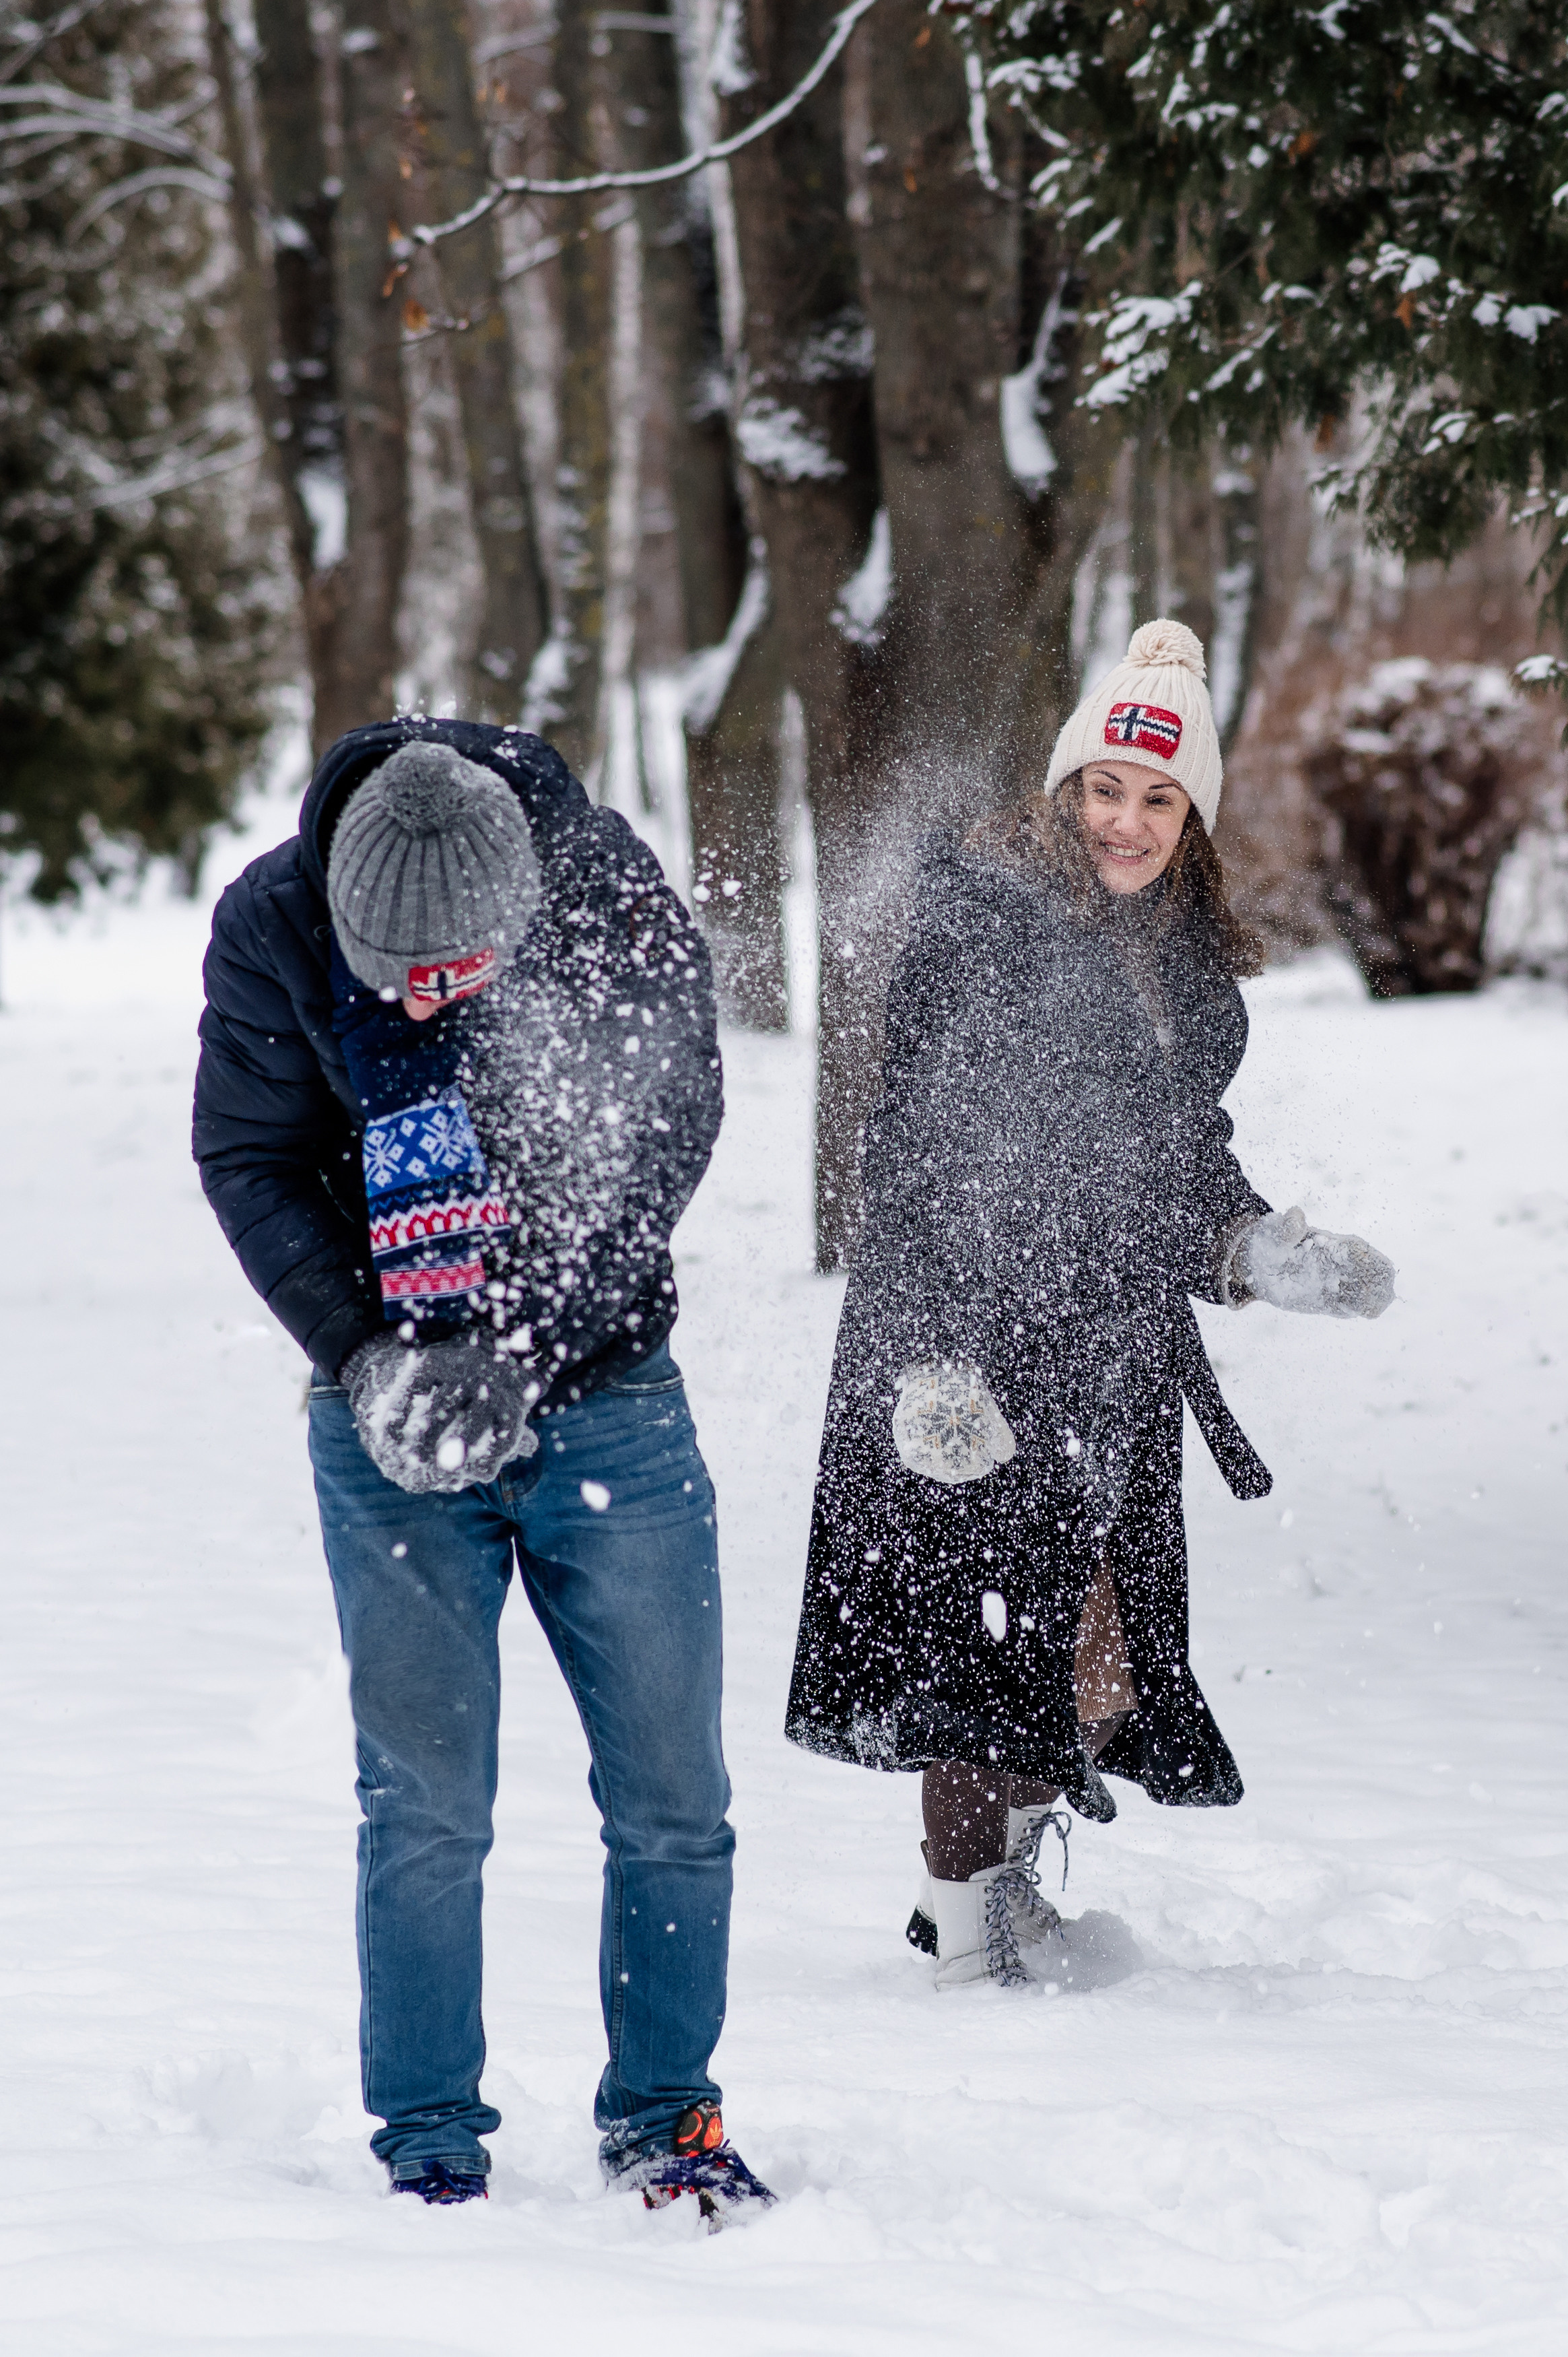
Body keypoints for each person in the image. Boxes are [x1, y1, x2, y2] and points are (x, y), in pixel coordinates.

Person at [193, 718, 773, 2220]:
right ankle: (430, 2138)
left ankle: (667, 2117)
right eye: (411, 978)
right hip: (387, 1429)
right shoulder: (273, 924)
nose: (442, 997)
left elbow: (667, 1130)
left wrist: (520, 1337)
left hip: (608, 1401)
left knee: (670, 1794)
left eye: (469, 969)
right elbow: (249, 1156)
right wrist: (369, 1353)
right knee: (426, 1803)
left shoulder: (605, 891)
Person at [784, 621, 1396, 1988]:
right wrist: (928, 1362)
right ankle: (963, 1930)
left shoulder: (1185, 971)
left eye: (1159, 797)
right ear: (1066, 791)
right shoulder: (983, 919)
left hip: (1104, 1347)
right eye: (1104, 789)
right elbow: (909, 1145)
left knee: (1092, 1650)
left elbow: (1176, 1161)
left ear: (1195, 818)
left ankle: (999, 1883)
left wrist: (1251, 1248)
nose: (1125, 820)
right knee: (976, 1635)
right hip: (968, 1336)